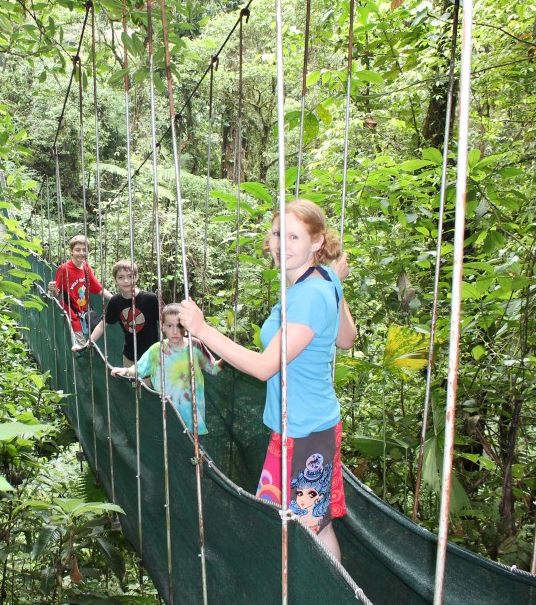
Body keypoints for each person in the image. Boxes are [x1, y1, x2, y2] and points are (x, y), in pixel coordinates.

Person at [178, 199, 356, 560]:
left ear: (317, 242)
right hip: (295, 427)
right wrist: (337, 285)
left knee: (311, 528)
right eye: (278, 234)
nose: (282, 244)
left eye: (294, 236)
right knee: (310, 524)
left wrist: (202, 330)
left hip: (308, 433)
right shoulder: (322, 280)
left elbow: (264, 367)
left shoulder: (311, 293)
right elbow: (346, 339)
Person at [111, 304, 221, 435]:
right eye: (170, 326)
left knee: (195, 453)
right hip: (165, 421)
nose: (175, 331)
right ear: (162, 327)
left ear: (186, 327)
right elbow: (138, 369)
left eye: (179, 326)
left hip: (194, 422)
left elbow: (214, 369)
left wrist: (229, 356)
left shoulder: (195, 346)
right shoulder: (157, 350)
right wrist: (125, 371)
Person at [83, 259, 161, 366]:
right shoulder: (115, 301)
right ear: (115, 280)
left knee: (146, 383)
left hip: (151, 356)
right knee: (130, 383)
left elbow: (166, 321)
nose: (126, 281)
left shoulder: (150, 299)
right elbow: (102, 325)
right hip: (129, 357)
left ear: (137, 277)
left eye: (130, 276)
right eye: (121, 277)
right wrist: (87, 344)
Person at [48, 235, 113, 349]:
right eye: (78, 250)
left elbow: (98, 288)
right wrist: (52, 289)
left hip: (85, 313)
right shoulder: (64, 269)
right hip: (71, 314)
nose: (81, 253)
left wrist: (115, 298)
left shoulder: (86, 268)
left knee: (90, 343)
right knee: (81, 348)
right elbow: (55, 294)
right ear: (71, 251)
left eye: (84, 250)